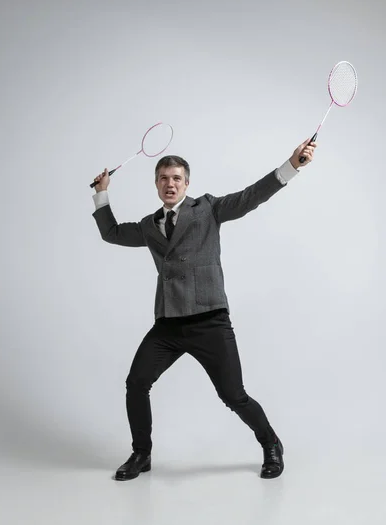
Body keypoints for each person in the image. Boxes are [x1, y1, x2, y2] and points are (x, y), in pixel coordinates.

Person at [92, 137, 317, 481]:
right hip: (168, 325)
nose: (170, 183)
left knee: (233, 395)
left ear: (187, 184)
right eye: (164, 178)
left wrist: (291, 166)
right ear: (156, 184)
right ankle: (142, 453)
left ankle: (270, 442)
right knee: (136, 383)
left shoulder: (208, 209)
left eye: (177, 178)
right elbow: (110, 233)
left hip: (209, 320)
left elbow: (250, 197)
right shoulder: (149, 226)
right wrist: (102, 193)